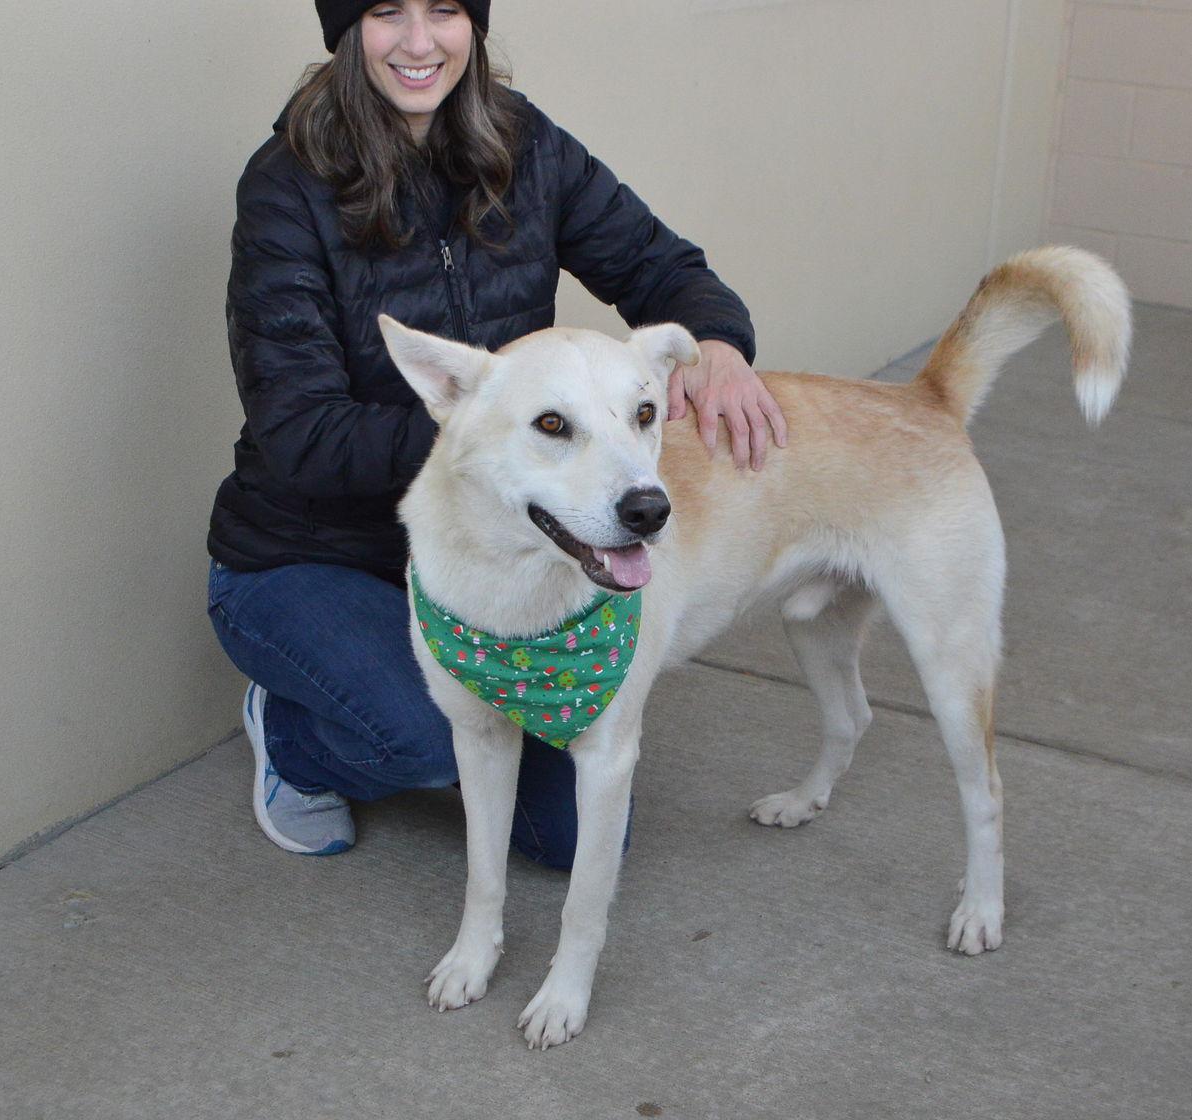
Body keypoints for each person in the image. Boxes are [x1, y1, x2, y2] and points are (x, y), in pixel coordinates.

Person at [206, 0, 787, 864]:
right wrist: (497, 433)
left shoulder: (525, 144)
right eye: (385, 12)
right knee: (430, 737)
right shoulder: (286, 187)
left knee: (572, 840)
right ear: (344, 29)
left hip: (488, 560)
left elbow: (661, 267)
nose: (418, 41)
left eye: (444, 10)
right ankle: (293, 736)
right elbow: (302, 435)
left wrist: (716, 346)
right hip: (308, 557)